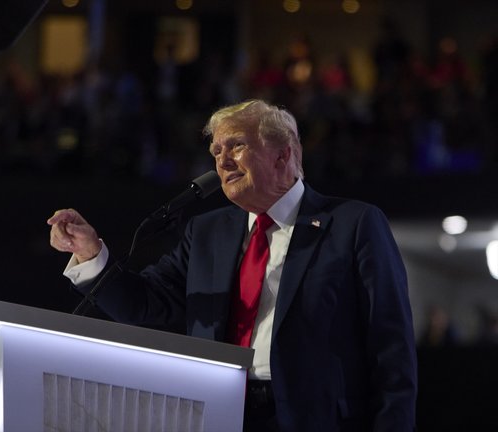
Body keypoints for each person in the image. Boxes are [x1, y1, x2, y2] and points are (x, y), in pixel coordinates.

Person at [48, 99, 418, 431]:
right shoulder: (208, 232)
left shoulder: (353, 224)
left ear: (283, 155)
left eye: (237, 146)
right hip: (221, 414)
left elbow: (391, 350)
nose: (222, 162)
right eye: (216, 151)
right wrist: (91, 253)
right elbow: (144, 303)